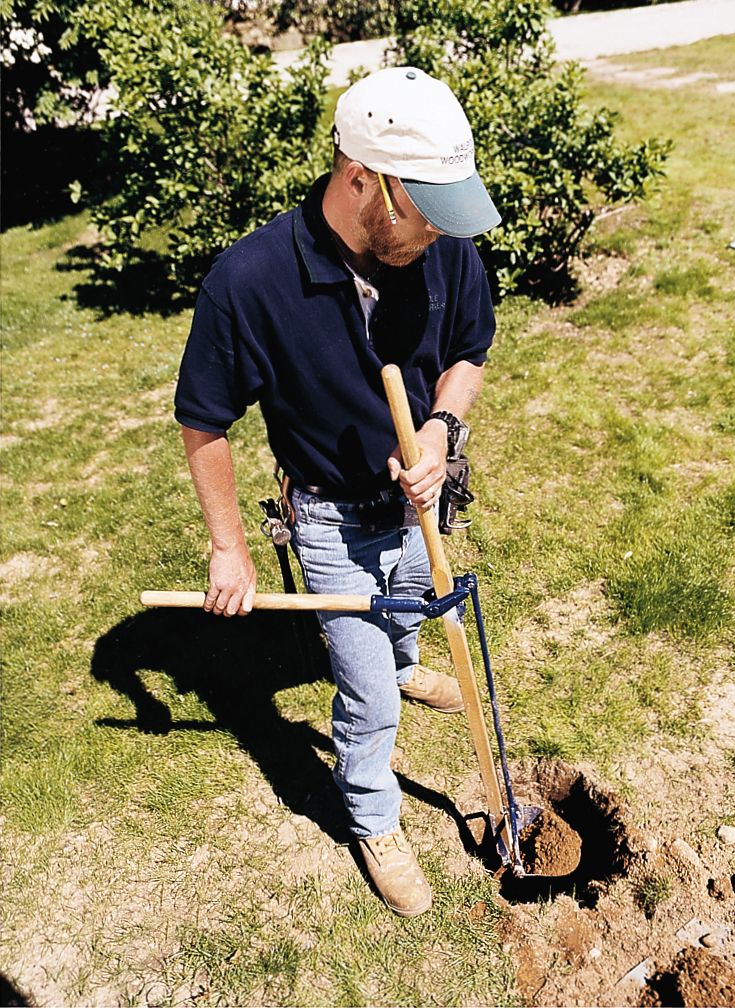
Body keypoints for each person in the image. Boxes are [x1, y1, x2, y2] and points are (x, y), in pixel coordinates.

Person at [174, 66, 500, 917]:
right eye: (424, 205)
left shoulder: (443, 245)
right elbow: (204, 419)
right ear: (363, 178)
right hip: (326, 515)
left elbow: (469, 351)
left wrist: (440, 431)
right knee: (364, 691)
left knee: (408, 611)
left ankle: (405, 662)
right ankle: (373, 816)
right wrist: (229, 547)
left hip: (416, 503)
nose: (440, 228)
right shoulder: (249, 283)